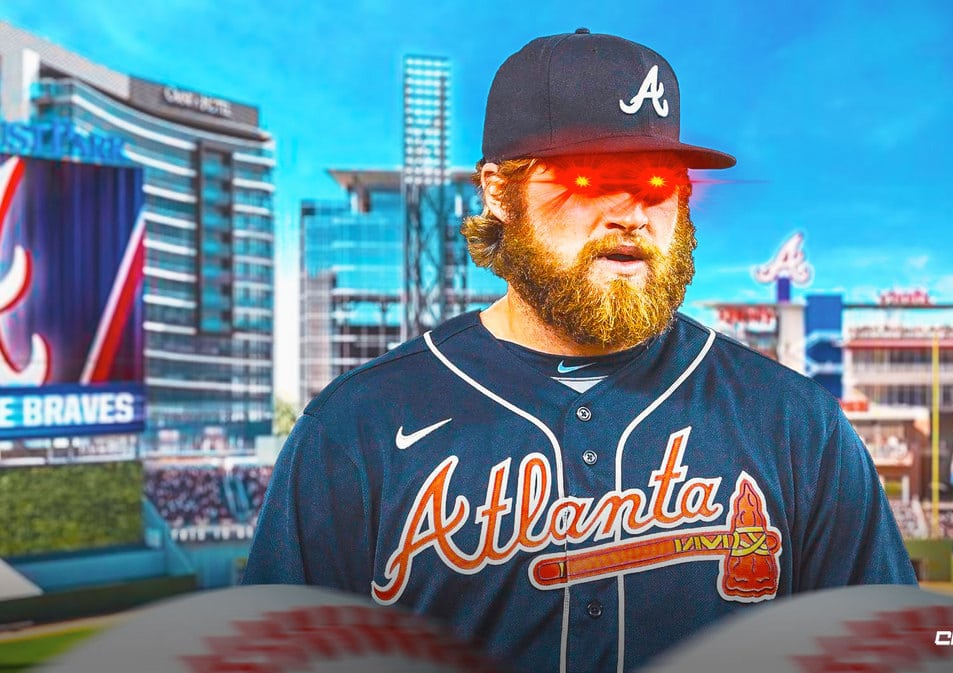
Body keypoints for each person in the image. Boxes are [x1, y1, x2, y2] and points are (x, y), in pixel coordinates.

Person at [244, 28, 916, 673]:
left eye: (657, 184)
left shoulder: (797, 426)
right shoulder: (356, 428)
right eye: (590, 178)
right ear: (497, 194)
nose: (632, 213)